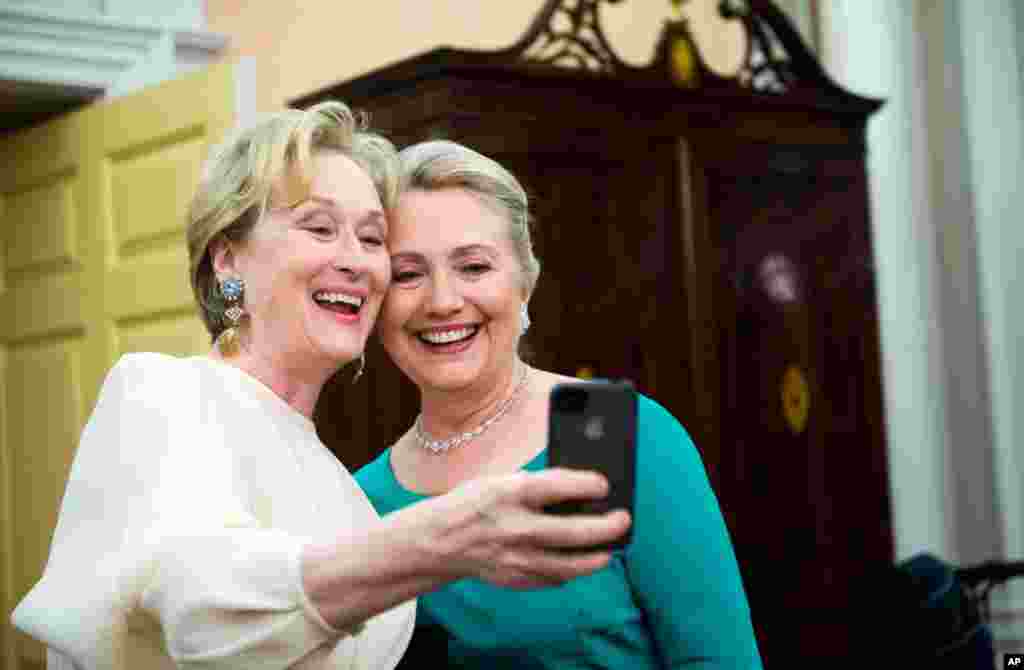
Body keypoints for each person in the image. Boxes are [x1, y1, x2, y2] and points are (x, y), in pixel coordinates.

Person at [10, 103, 631, 670]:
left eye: (372, 239)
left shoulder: (344, 488)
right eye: (319, 228)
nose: (355, 260)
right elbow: (202, 614)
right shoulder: (160, 393)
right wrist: (445, 540)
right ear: (228, 259)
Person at [356, 140, 764, 668]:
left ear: (524, 282)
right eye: (407, 274)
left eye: (473, 267)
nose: (443, 302)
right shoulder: (360, 498)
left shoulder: (611, 432)